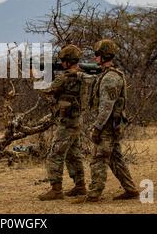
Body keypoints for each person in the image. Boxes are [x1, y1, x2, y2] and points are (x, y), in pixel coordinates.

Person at [75, 39, 138, 203]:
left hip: (108, 125)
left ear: (104, 56)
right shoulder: (108, 75)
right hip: (112, 124)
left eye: (97, 55)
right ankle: (131, 189)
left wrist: (96, 128)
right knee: (115, 158)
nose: (95, 58)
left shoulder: (110, 78)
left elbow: (106, 108)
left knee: (98, 159)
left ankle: (94, 194)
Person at [38, 44, 91, 201]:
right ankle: (80, 186)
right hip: (77, 120)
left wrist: (36, 76)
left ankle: (56, 189)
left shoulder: (64, 78)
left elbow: (46, 89)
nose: (61, 63)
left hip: (67, 122)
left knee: (55, 154)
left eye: (63, 61)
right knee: (74, 154)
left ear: (68, 61)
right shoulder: (82, 76)